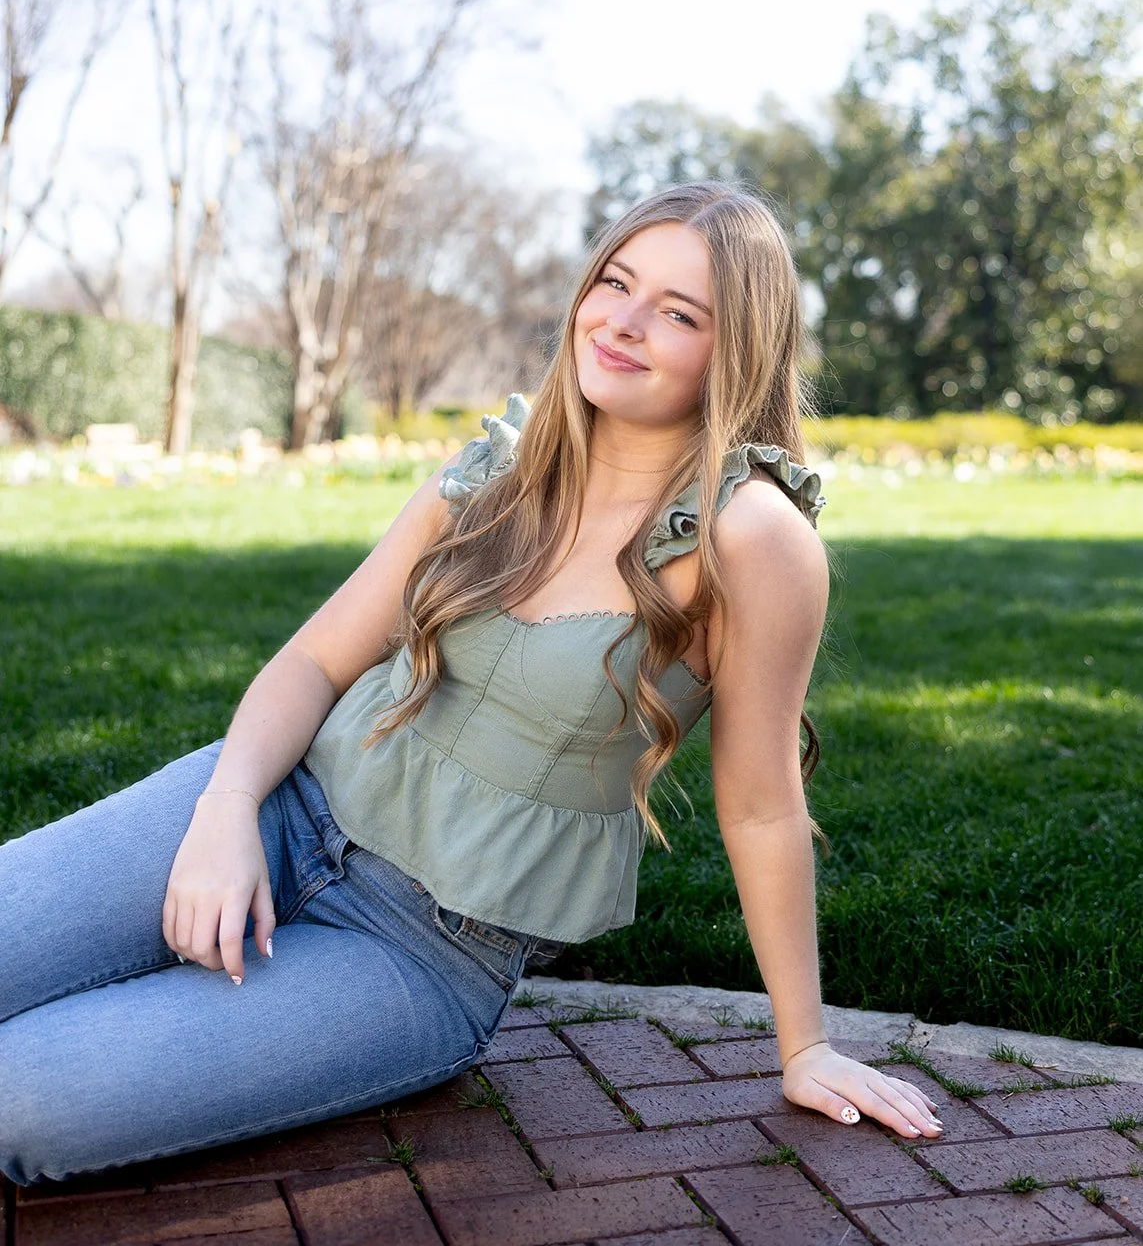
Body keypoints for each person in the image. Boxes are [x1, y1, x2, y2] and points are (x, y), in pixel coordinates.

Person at [0, 180, 941, 1186]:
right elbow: (317, 659)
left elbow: (760, 804)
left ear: (736, 348)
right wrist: (226, 810)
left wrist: (804, 1047)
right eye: (614, 283)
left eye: (678, 312)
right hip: (281, 805)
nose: (622, 322)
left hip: (420, 952)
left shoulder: (752, 539)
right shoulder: (501, 465)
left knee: (24, 1099)